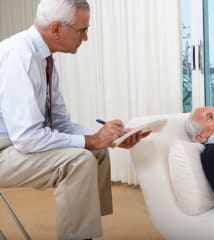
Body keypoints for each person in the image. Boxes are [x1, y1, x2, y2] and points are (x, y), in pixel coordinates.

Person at [0, 0, 148, 239]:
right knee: (79, 160)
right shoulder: (20, 57)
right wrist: (92, 140)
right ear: (56, 28)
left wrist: (107, 138)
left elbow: (59, 122)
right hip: (5, 150)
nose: (86, 38)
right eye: (83, 30)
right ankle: (79, 235)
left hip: (15, 146)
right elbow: (27, 139)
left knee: (96, 153)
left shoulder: (44, 59)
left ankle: (83, 231)